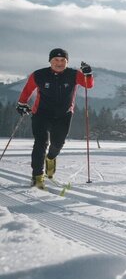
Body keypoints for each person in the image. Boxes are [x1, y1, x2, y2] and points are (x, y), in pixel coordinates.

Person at [16, 48, 94, 189]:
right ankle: (37, 177)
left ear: (67, 62)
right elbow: (28, 89)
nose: (59, 63)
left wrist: (88, 74)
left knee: (58, 143)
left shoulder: (74, 74)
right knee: (41, 143)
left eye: (62, 60)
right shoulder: (39, 74)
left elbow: (88, 85)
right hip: (41, 113)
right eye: (56, 60)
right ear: (50, 61)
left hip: (64, 114)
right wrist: (22, 103)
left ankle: (51, 158)